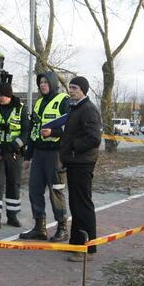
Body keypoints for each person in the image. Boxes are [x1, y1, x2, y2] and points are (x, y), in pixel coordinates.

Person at [20, 72, 70, 242]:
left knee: (56, 191)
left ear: (53, 83)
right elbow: (33, 131)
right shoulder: (39, 102)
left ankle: (62, 228)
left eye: (45, 82)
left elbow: (71, 127)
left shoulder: (63, 100)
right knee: (34, 190)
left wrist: (53, 132)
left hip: (56, 154)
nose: (42, 85)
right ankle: (39, 228)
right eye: (40, 82)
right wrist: (27, 156)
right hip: (39, 154)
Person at [59, 76, 102, 262]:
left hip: (83, 163)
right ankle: (76, 243)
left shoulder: (89, 110)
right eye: (70, 87)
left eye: (75, 87)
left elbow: (94, 138)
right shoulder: (75, 107)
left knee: (83, 205)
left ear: (83, 90)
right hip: (74, 162)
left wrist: (73, 146)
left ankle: (88, 249)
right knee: (75, 204)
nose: (71, 90)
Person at [0, 82, 30, 230]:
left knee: (14, 184)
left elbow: (26, 132)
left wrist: (14, 146)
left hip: (14, 153)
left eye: (2, 95)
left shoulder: (21, 109)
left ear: (9, 95)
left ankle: (12, 216)